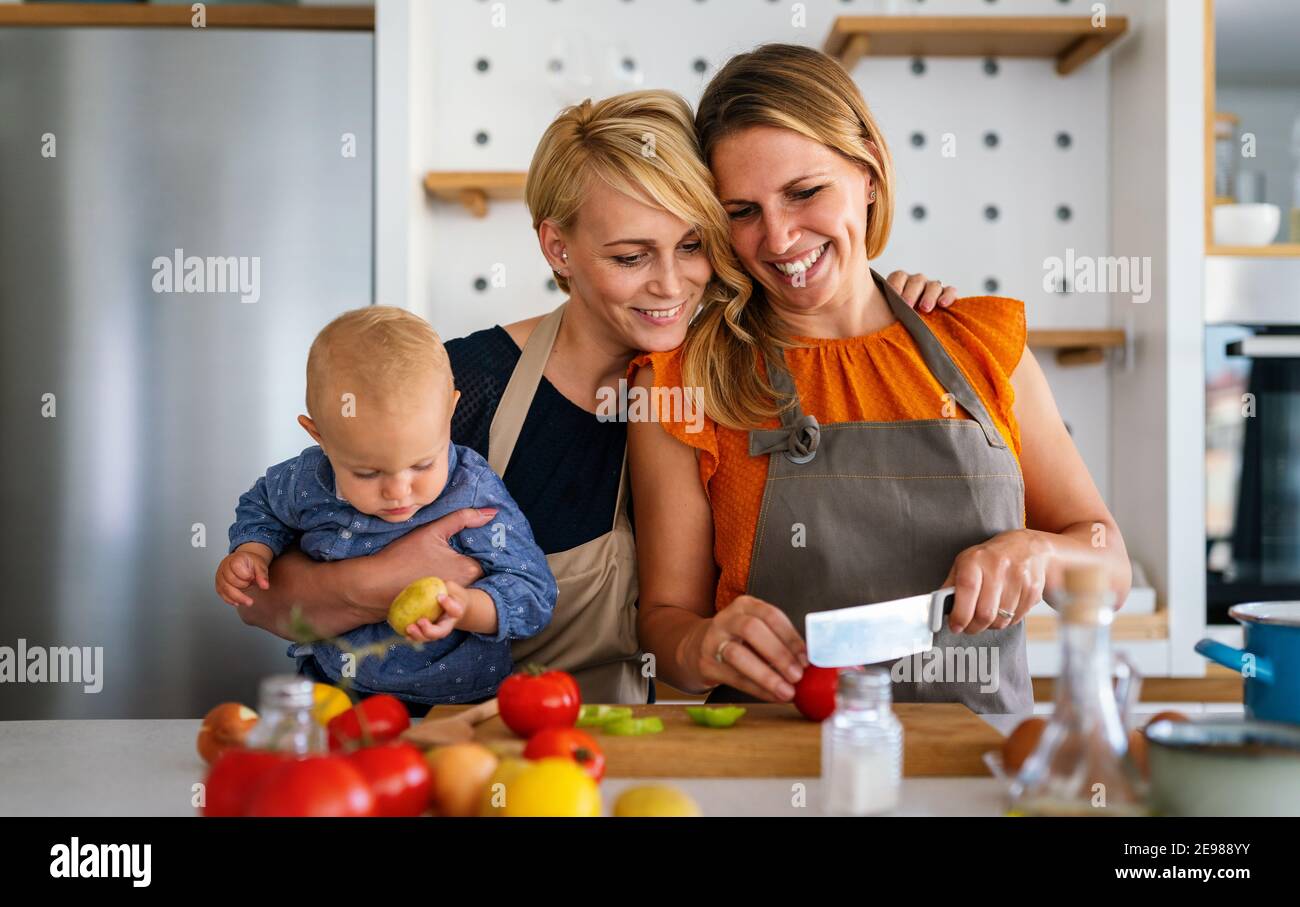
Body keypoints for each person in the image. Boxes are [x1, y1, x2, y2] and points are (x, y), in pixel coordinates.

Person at [232, 88, 960, 704]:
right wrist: (390, 576)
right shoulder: (465, 385)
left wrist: (891, 310)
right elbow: (267, 605)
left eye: (691, 244)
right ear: (558, 249)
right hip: (441, 752)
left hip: (612, 757)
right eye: (630, 256)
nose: (670, 285)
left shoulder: (727, 384)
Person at [629, 45, 1131, 713]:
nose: (778, 239)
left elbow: (1108, 562)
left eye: (805, 192)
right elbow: (663, 622)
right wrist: (701, 646)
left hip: (971, 773)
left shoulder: (979, 347)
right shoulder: (684, 381)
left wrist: (1039, 554)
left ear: (868, 170)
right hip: (773, 770)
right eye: (741, 211)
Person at [217, 306, 556, 710]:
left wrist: (466, 608)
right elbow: (262, 506)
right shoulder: (306, 480)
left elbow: (534, 594)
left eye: (423, 464)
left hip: (459, 701)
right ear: (318, 435)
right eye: (366, 472)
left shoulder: (474, 489)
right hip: (335, 690)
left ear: (450, 411)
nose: (398, 491)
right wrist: (253, 549)